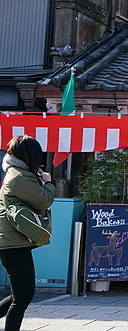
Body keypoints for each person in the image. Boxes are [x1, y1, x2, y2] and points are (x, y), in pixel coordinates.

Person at [0, 136, 56, 331]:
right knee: (23, 296)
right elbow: (43, 201)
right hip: (11, 242)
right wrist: (48, 183)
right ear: (30, 155)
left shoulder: (19, 173)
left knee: (21, 295)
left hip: (13, 241)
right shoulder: (19, 176)